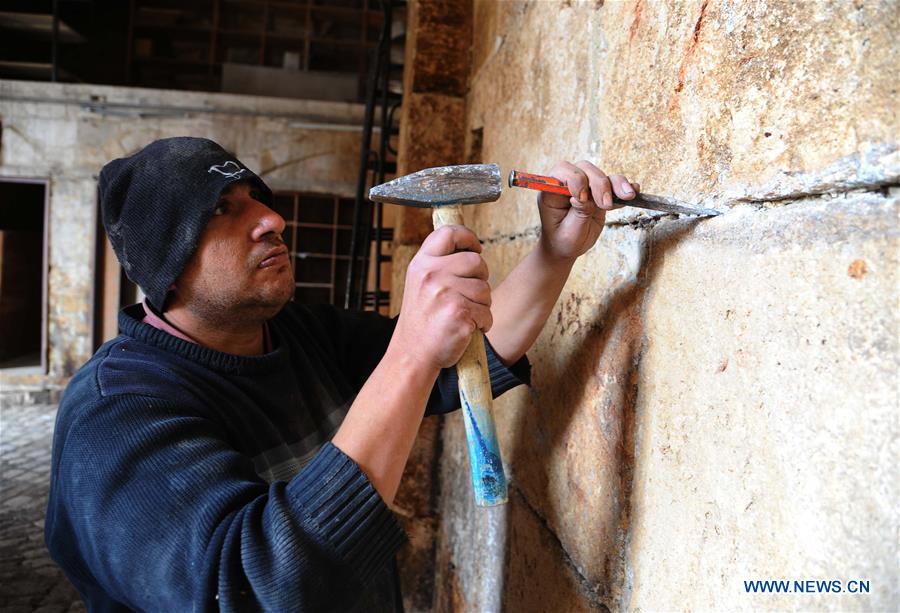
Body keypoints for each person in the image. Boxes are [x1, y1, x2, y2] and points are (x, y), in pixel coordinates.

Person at [45, 137, 639, 611]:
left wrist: (555, 253)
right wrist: (409, 349)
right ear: (166, 266)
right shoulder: (114, 414)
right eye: (224, 210)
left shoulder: (300, 334)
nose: (271, 219)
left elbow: (453, 366)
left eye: (257, 197)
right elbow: (258, 588)